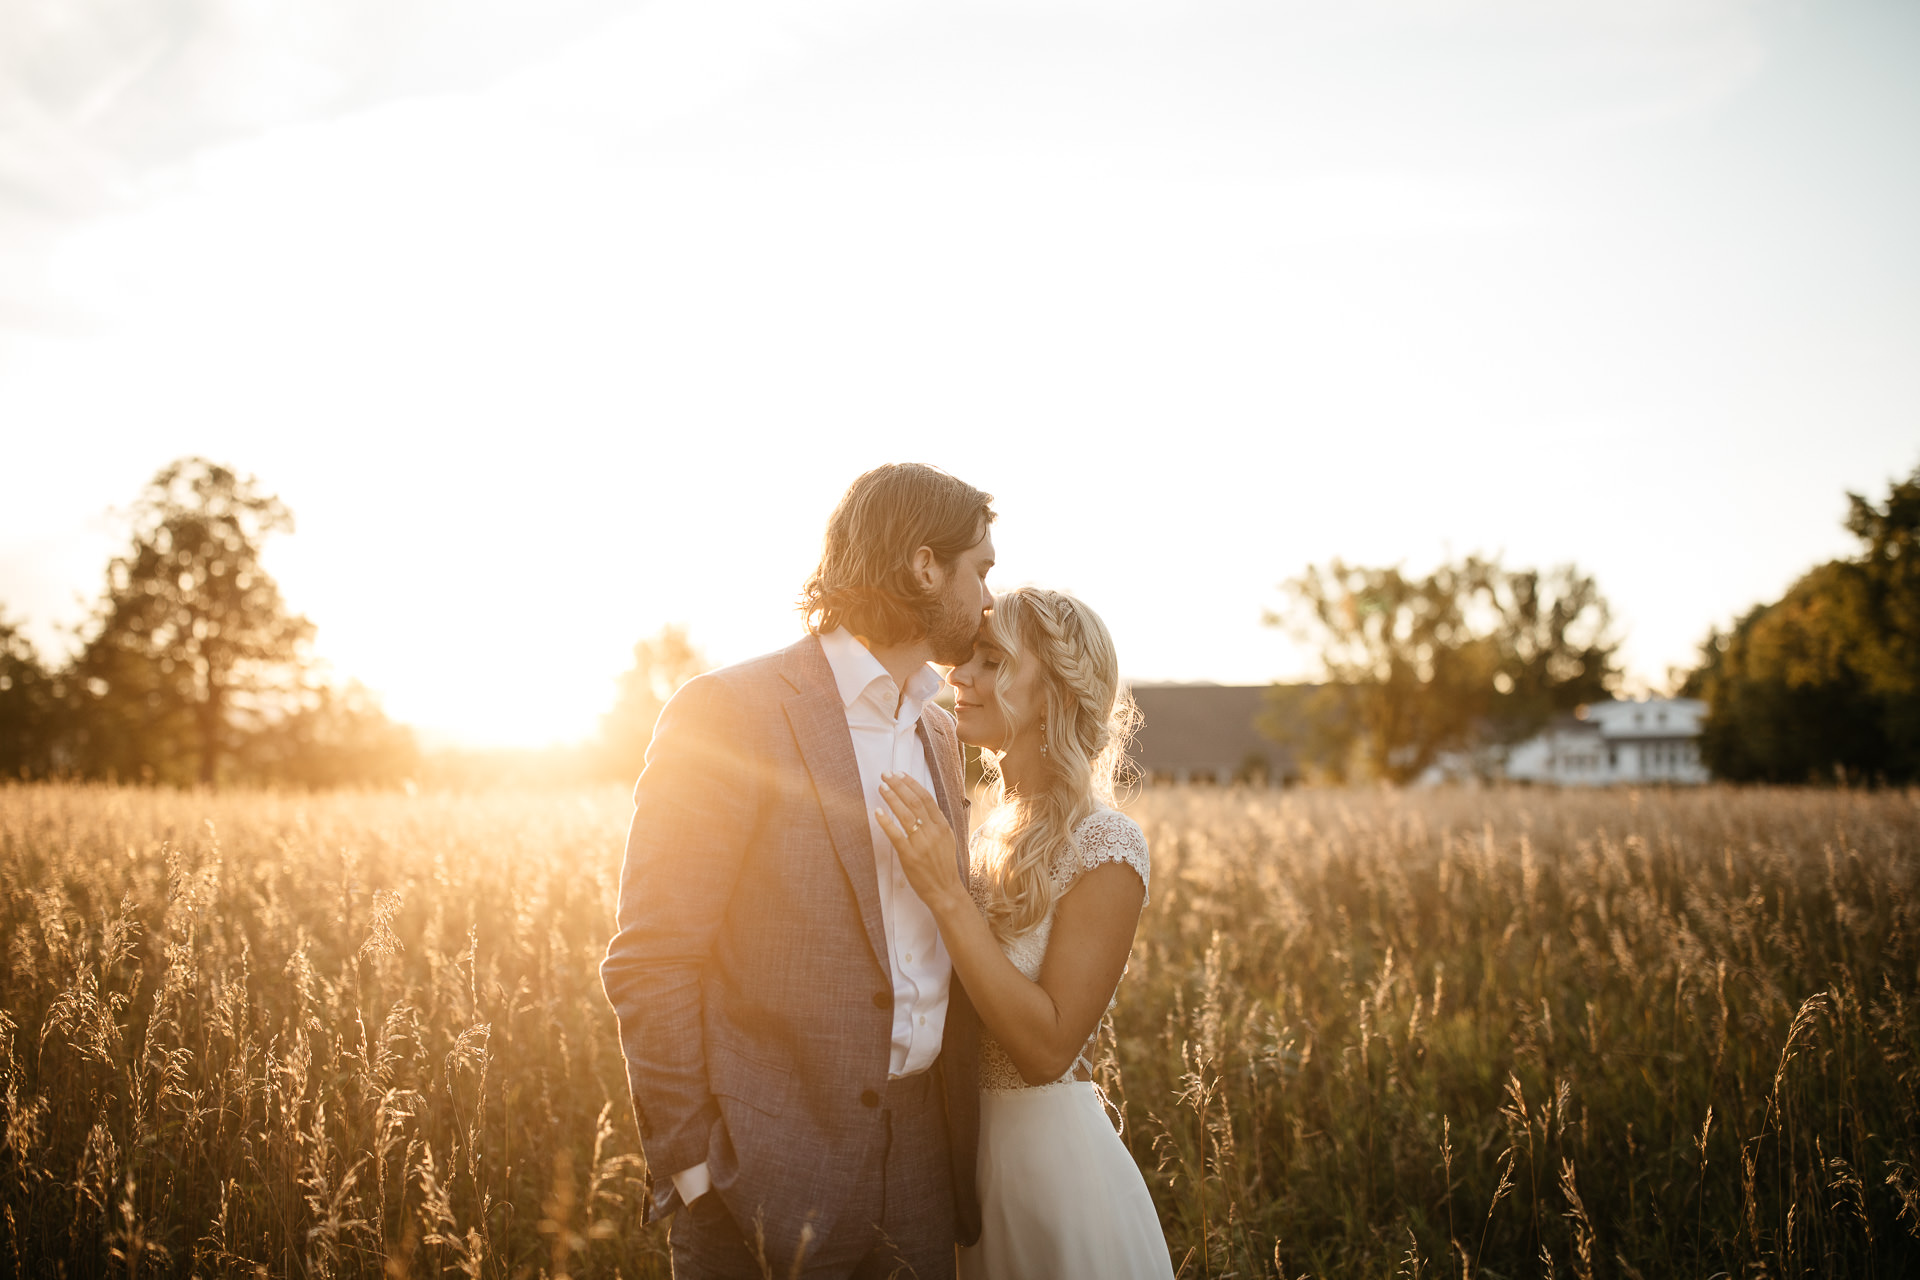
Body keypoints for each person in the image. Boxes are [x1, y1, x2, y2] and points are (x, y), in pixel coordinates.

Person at [600, 463, 996, 1279]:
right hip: (763, 1173)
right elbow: (653, 958)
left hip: (923, 1169)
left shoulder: (939, 731)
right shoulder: (729, 712)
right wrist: (697, 1173)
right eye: (981, 570)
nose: (989, 599)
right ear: (925, 565)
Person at [875, 587, 1176, 1279]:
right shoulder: (984, 833)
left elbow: (1047, 1049)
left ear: (1053, 692)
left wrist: (947, 897)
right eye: (967, 659)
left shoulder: (1106, 845)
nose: (960, 676)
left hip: (1049, 1175)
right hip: (963, 1168)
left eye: (991, 662)